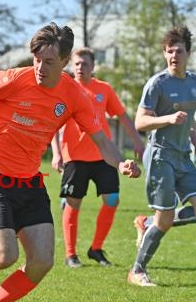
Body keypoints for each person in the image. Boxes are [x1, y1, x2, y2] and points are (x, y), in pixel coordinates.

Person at [0, 22, 141, 302]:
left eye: (48, 62)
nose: (39, 67)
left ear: (64, 63)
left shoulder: (74, 95)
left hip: (30, 182)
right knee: (4, 257)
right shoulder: (12, 79)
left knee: (42, 261)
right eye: (36, 59)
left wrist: (122, 162)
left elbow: (102, 142)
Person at [50, 47, 145, 268]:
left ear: (93, 67)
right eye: (77, 64)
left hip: (105, 156)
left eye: (85, 63)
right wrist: (55, 153)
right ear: (71, 66)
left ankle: (96, 249)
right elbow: (53, 124)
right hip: (74, 157)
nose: (80, 67)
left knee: (112, 200)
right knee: (73, 203)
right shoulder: (64, 89)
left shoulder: (104, 89)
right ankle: (71, 255)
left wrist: (139, 142)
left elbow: (122, 116)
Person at [128, 26, 196, 287]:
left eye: (179, 51)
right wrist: (168, 118)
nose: (173, 56)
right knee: (165, 221)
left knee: (166, 219)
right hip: (160, 157)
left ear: (188, 53)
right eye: (169, 51)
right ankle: (137, 270)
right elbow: (139, 122)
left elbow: (192, 121)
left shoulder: (194, 83)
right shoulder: (157, 84)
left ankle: (147, 223)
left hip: (184, 158)